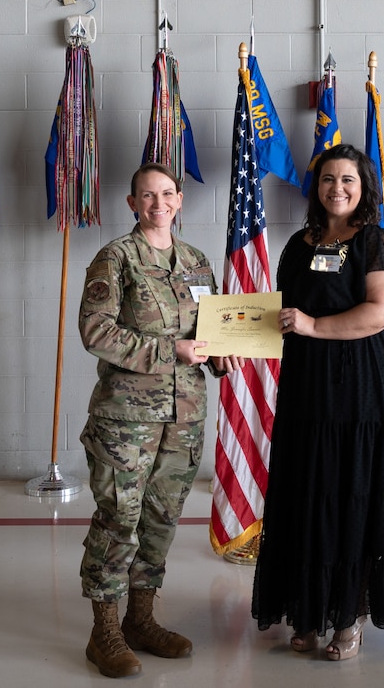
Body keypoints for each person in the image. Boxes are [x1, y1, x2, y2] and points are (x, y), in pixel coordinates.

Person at [251, 144, 384, 660]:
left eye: (348, 179)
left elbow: (380, 311)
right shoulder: (298, 244)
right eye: (329, 179)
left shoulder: (375, 241)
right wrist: (227, 340)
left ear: (364, 186)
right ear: (317, 187)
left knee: (352, 496)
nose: (338, 189)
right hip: (307, 387)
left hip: (362, 389)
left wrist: (312, 325)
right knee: (307, 493)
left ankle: (348, 617)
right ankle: (308, 611)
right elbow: (277, 314)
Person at [78, 162, 244, 678]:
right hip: (127, 419)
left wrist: (220, 355)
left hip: (185, 416)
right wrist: (170, 350)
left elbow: (212, 330)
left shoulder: (195, 261)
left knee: (160, 521)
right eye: (147, 196)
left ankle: (140, 620)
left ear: (178, 200)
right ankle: (103, 632)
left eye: (167, 193)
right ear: (132, 203)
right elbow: (95, 331)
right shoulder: (116, 258)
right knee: (117, 521)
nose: (158, 203)